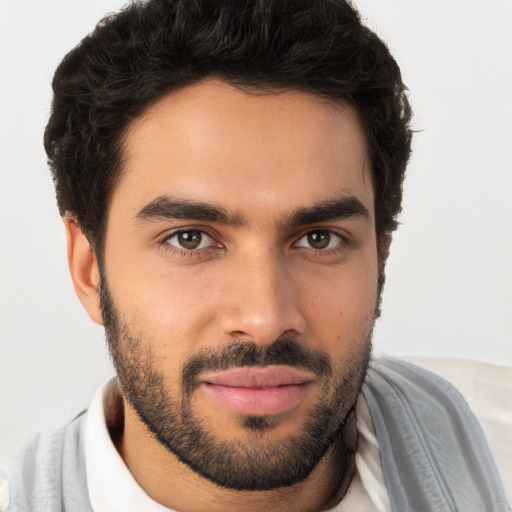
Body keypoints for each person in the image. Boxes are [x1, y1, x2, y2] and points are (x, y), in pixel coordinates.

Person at [1, 0, 509, 510]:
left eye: (319, 239)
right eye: (190, 239)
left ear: (380, 257)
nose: (265, 319)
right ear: (89, 270)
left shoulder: (497, 441)